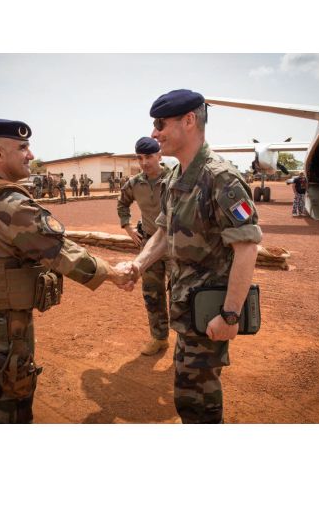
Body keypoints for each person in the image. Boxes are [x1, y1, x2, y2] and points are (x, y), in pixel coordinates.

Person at [0, 118, 134, 424]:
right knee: (12, 408)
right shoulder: (9, 204)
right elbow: (61, 252)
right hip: (4, 327)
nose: (31, 155)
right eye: (23, 147)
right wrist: (113, 273)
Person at [121, 89, 261, 424]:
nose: (155, 134)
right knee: (188, 395)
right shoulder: (177, 177)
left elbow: (247, 247)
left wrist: (230, 315)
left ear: (189, 120)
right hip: (186, 308)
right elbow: (162, 233)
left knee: (199, 403)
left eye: (160, 124)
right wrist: (139, 264)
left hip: (210, 313)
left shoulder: (220, 177)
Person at [117, 137, 171, 356]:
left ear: (159, 155)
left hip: (175, 244)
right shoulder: (135, 183)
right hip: (149, 243)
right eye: (140, 158)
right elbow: (122, 202)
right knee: (152, 293)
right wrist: (128, 227)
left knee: (180, 293)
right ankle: (159, 338)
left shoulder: (174, 179)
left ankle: (187, 344)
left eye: (149, 157)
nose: (144, 162)